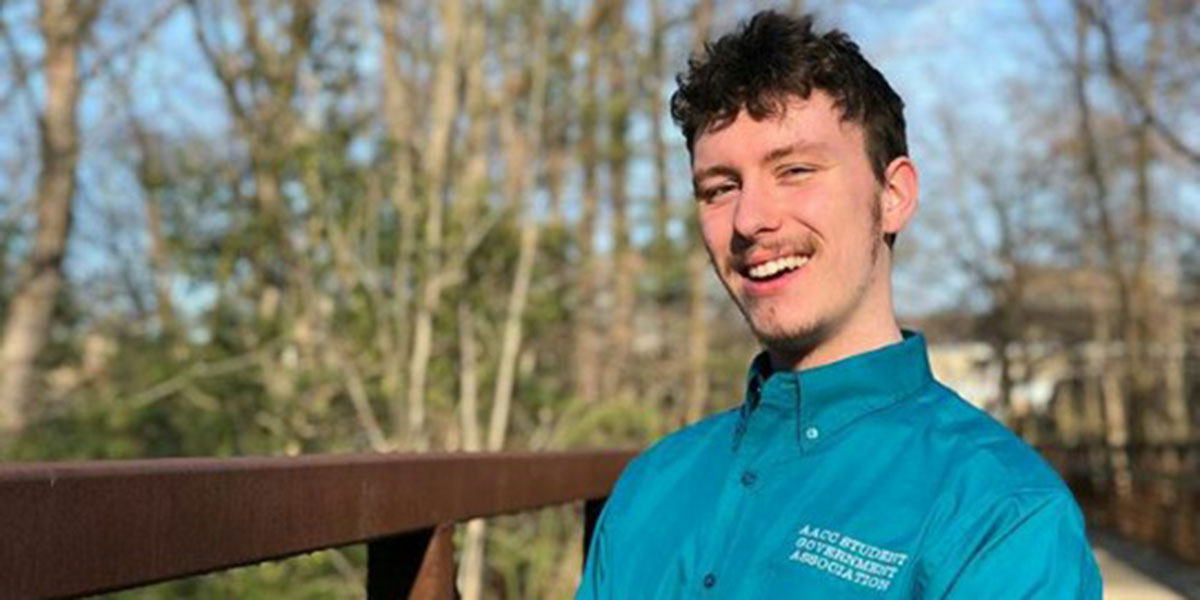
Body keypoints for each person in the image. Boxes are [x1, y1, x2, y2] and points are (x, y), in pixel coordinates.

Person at [576, 10, 1102, 599]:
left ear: (894, 195)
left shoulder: (1000, 516)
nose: (751, 220)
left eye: (795, 170)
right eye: (720, 189)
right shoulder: (652, 486)